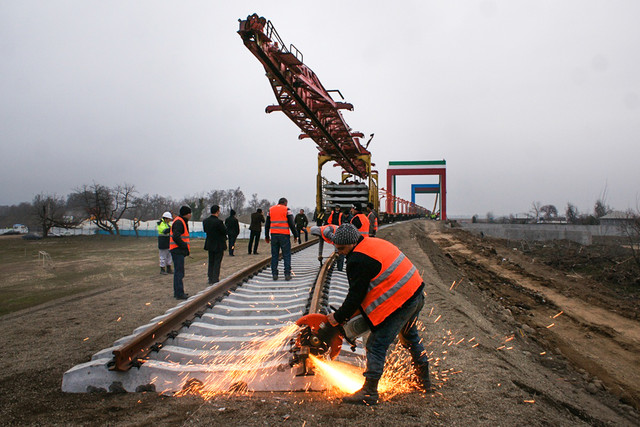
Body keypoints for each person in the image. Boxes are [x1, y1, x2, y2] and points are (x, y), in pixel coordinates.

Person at [326, 223, 432, 405]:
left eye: (342, 248)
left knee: (375, 344)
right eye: (337, 248)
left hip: (403, 300)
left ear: (352, 243)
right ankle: (424, 381)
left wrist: (337, 318)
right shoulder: (372, 243)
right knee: (410, 336)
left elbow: (355, 297)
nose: (340, 252)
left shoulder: (357, 260)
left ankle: (369, 392)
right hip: (416, 291)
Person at [265, 197, 298, 281]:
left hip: (274, 235)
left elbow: (267, 224)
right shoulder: (287, 209)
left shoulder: (271, 210)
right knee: (286, 255)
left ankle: (274, 274)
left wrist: (266, 236)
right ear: (285, 203)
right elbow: (291, 223)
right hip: (284, 235)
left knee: (274, 255)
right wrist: (295, 235)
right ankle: (287, 274)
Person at [170, 206, 192, 300]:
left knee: (179, 272)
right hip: (177, 250)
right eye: (190, 213)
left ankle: (178, 292)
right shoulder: (179, 222)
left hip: (177, 250)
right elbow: (176, 236)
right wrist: (184, 246)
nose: (190, 215)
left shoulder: (180, 221)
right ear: (186, 214)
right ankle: (179, 293)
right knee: (179, 272)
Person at [203, 205, 227, 284]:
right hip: (218, 244)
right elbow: (224, 231)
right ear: (217, 211)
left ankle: (210, 277)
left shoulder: (205, 221)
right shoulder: (219, 222)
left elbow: (205, 230)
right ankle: (215, 278)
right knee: (217, 262)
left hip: (210, 243)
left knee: (211, 261)